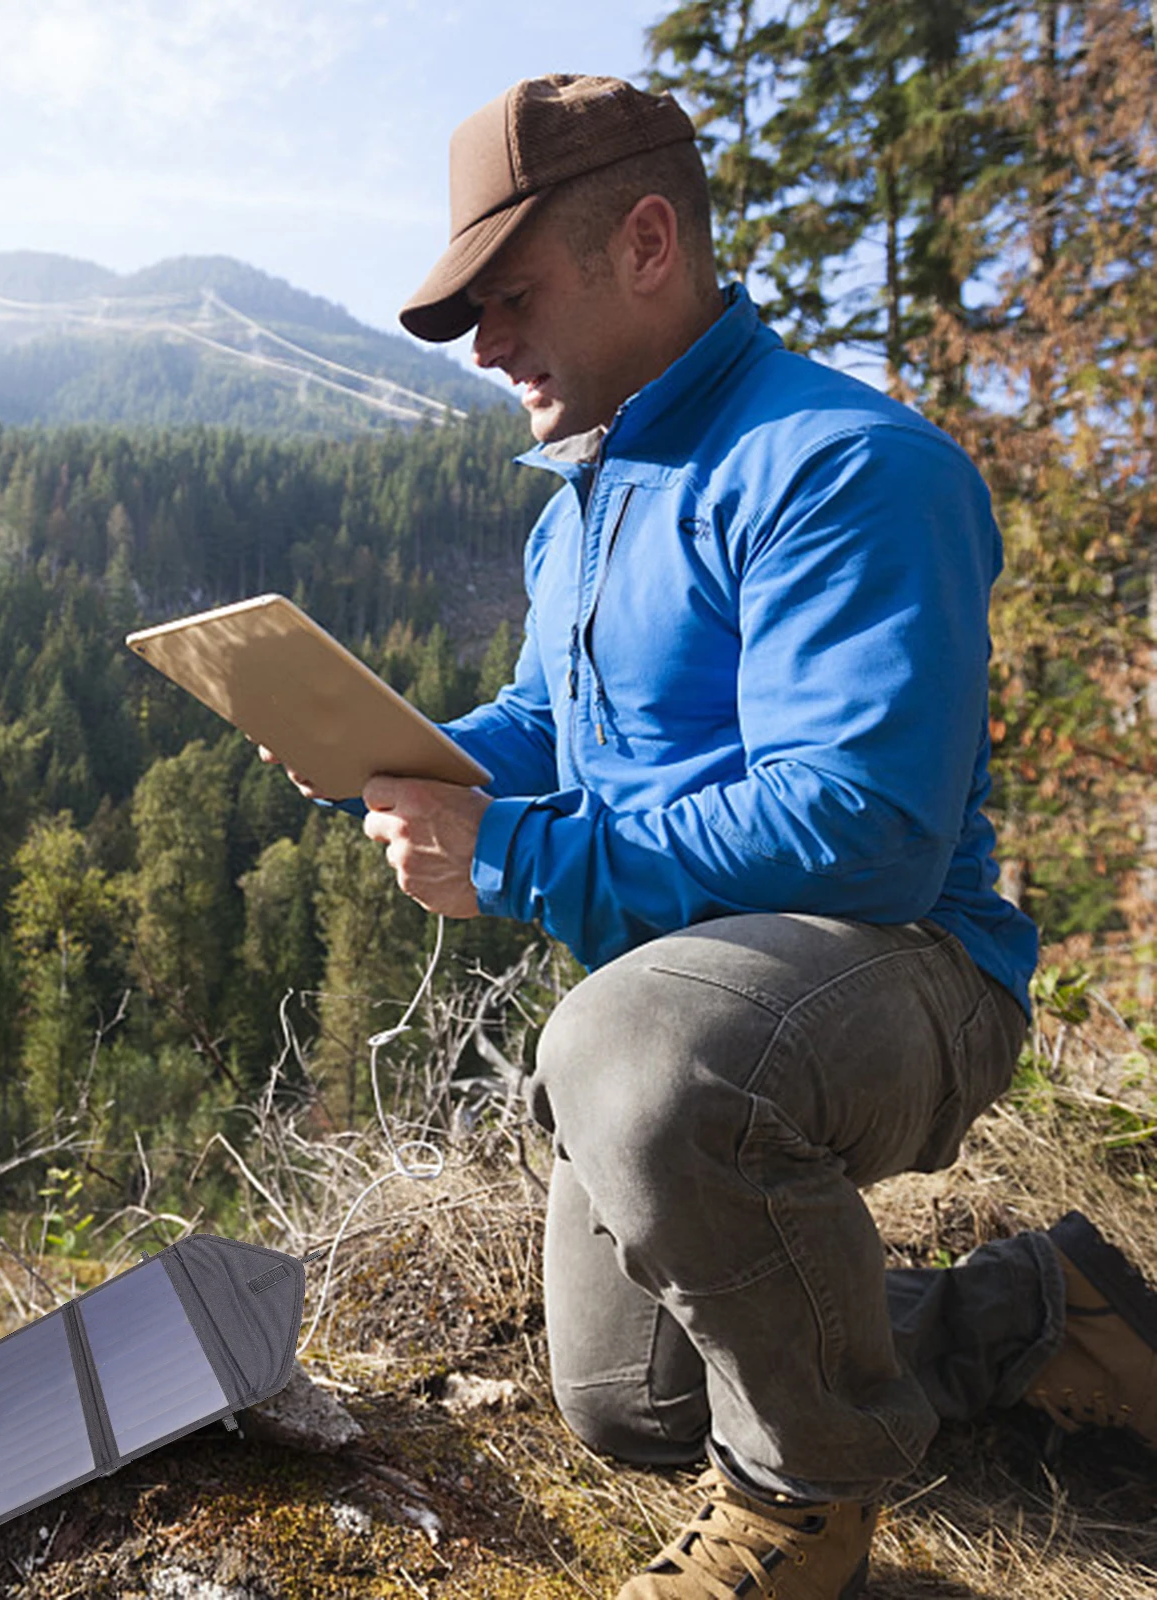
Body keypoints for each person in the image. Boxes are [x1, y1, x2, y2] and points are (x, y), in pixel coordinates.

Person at [349, 73, 1156, 1599]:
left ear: (648, 242)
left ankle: (806, 1513)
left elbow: (863, 829)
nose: (491, 347)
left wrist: (514, 856)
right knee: (633, 1401)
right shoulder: (585, 502)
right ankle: (1039, 1320)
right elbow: (546, 725)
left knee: (628, 1053)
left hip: (910, 973)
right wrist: (392, 757)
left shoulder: (846, 467)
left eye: (510, 298)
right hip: (708, 994)